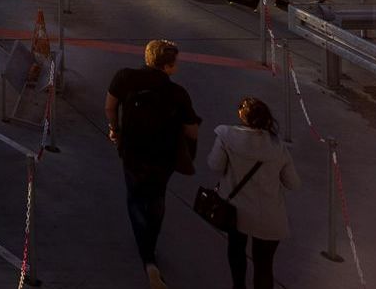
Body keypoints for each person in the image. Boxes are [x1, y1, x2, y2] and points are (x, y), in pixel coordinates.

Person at [107, 39, 200, 288]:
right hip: (164, 157)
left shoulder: (125, 77)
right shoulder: (178, 93)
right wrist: (188, 152)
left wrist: (115, 129)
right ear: (168, 67)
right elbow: (192, 129)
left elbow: (110, 106)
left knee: (135, 199)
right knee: (157, 198)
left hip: (133, 151)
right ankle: (151, 248)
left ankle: (147, 257)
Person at [207, 97, 298, 289]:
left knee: (236, 251)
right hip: (270, 216)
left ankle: (238, 286)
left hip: (236, 212)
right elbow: (293, 183)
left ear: (242, 116)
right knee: (264, 266)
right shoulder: (277, 147)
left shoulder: (226, 135)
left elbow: (214, 165)